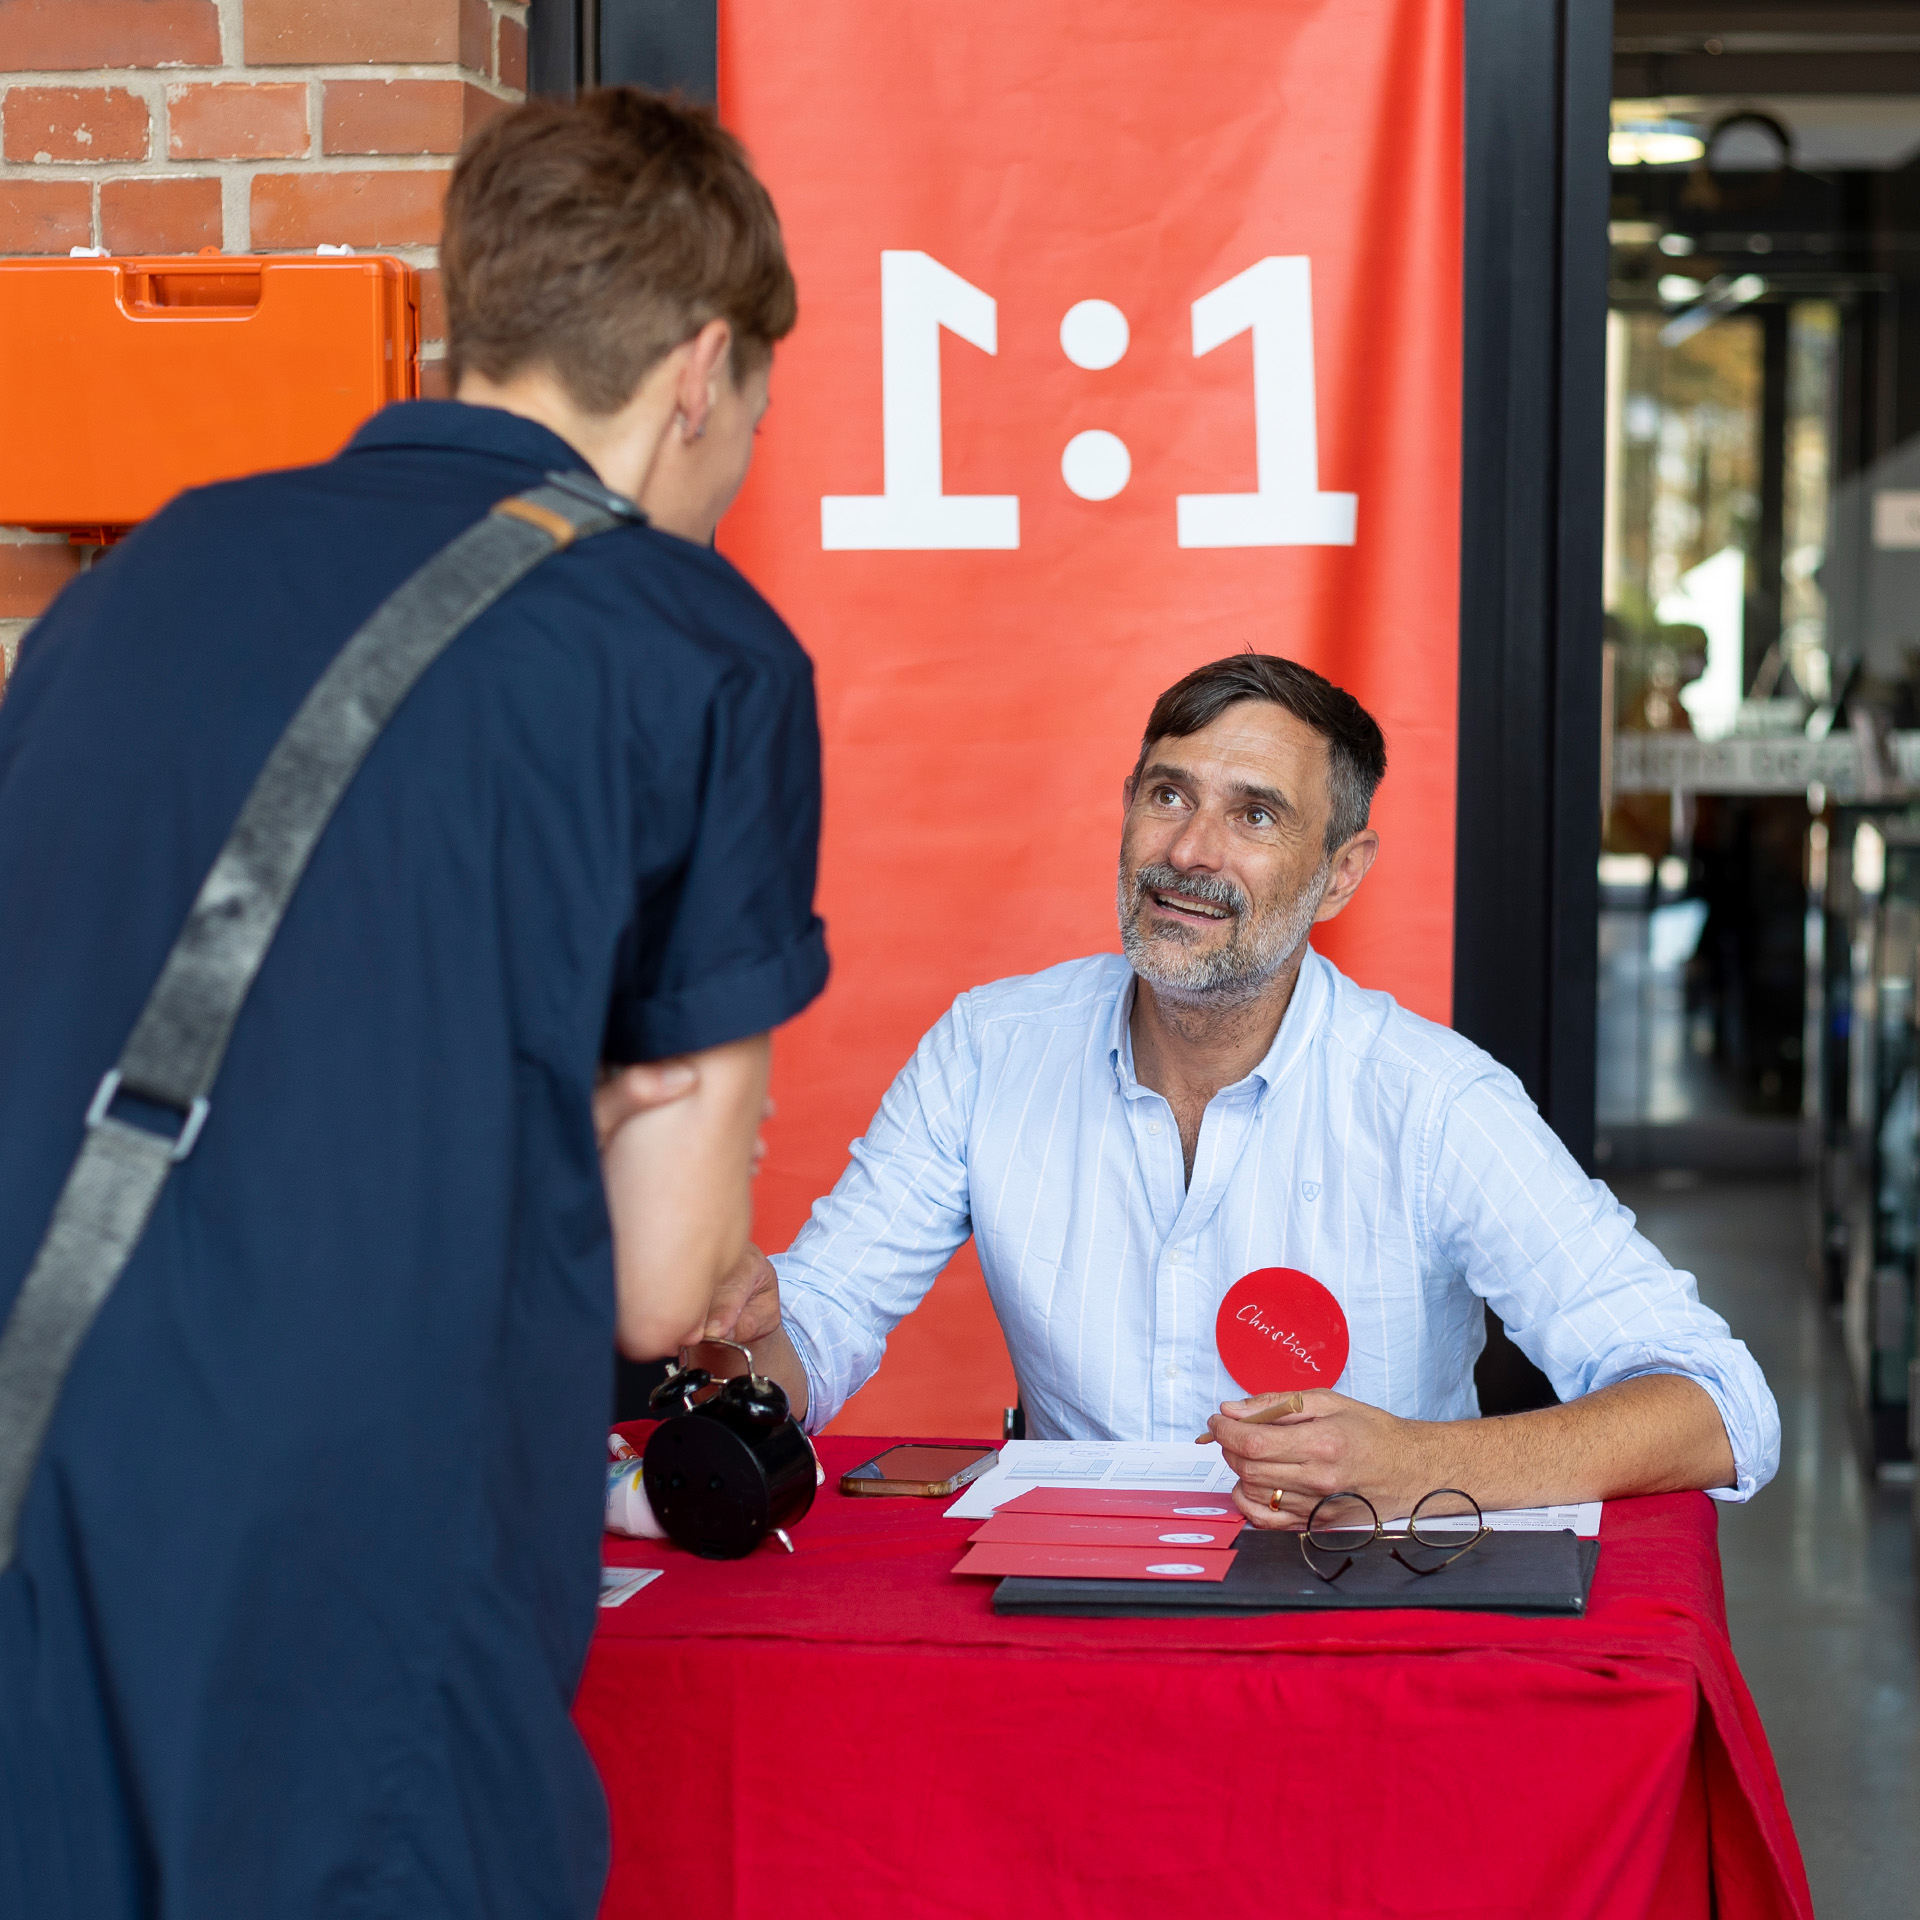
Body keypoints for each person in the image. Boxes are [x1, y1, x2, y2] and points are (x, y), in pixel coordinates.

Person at [0, 92, 824, 1919]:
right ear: (699, 372)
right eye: (758, 409)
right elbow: (660, 1283)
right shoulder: (697, 651)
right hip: (362, 1568)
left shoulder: (139, 583)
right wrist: (607, 1115)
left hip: (44, 1488)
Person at [705, 653, 1780, 1528]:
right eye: (1168, 795)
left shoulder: (1434, 1101)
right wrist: (753, 1337)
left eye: (1256, 816)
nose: (1190, 852)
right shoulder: (989, 1049)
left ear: (1343, 871)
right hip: (1067, 1620)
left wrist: (1419, 1467)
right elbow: (825, 1323)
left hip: (1357, 1637)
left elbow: (1721, 1407)